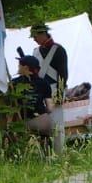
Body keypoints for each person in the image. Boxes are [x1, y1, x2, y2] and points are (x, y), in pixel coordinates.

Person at [30, 22, 68, 153]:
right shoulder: (36, 52)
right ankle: (45, 152)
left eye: (35, 36)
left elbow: (63, 74)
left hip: (54, 91)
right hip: (40, 93)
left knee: (57, 124)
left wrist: (59, 93)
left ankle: (59, 154)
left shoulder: (58, 50)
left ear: (42, 34)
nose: (34, 39)